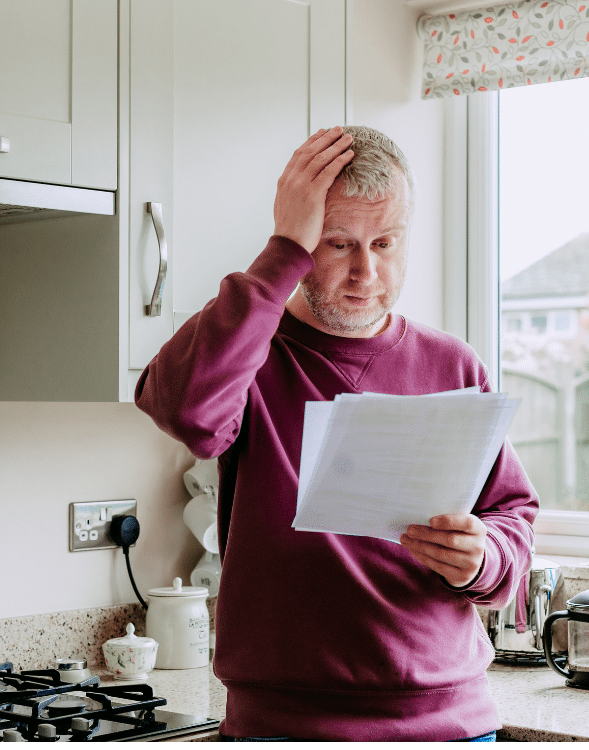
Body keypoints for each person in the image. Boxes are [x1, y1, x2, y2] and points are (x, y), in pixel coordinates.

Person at [134, 125, 538, 742]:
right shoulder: (253, 353)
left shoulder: (453, 364)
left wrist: (485, 557)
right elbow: (186, 410)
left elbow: (511, 512)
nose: (365, 272)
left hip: (451, 724)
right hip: (285, 727)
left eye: (386, 242)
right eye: (337, 243)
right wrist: (281, 251)